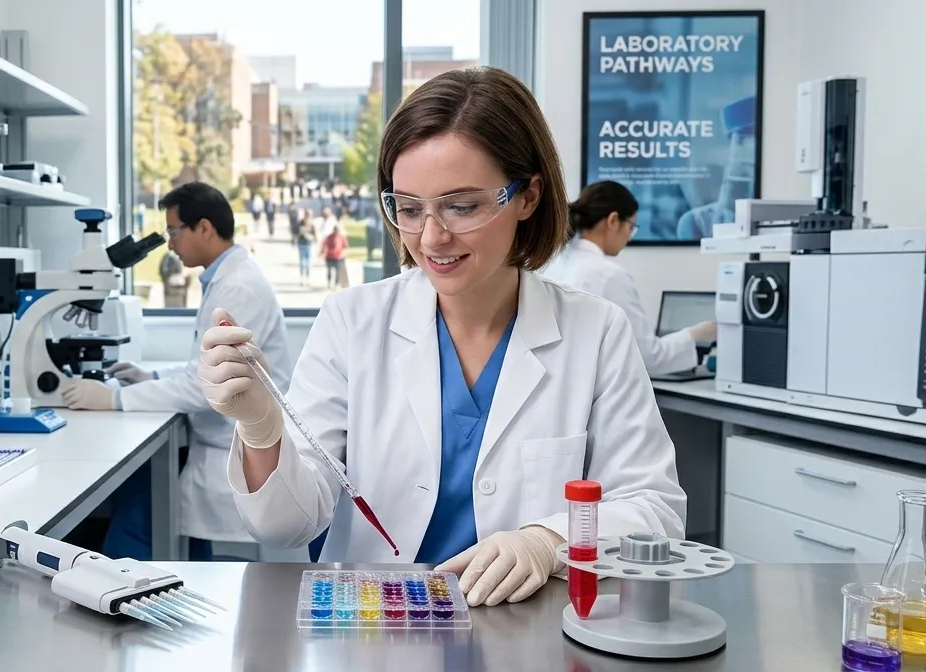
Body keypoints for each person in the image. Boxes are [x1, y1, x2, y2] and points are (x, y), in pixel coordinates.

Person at [195, 67, 685, 607]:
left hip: (530, 631)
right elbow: (286, 525)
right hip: (376, 632)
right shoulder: (351, 322)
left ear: (528, 196)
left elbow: (654, 510)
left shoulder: (595, 332)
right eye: (409, 209)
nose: (432, 237)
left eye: (462, 206)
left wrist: (549, 540)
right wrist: (261, 427)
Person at [61, 181, 293, 561]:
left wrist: (114, 398)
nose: (169, 243)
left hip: (228, 450)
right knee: (136, 505)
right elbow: (202, 368)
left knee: (133, 525)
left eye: (173, 231)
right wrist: (150, 377)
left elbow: (208, 387)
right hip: (217, 443)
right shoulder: (226, 281)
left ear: (203, 228)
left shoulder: (237, 288)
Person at [538, 181, 717, 376]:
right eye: (631, 226)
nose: (629, 237)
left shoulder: (551, 264)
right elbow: (646, 358)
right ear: (613, 221)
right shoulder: (608, 275)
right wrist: (696, 335)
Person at [321, 221, 349, 289]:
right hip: (329, 256)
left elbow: (345, 247)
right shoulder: (329, 237)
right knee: (329, 270)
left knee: (337, 271)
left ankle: (336, 284)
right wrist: (322, 253)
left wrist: (343, 254)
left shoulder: (341, 237)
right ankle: (329, 282)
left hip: (338, 257)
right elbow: (324, 245)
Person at [294, 208, 317, 285]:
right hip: (301, 244)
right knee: (302, 262)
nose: (308, 216)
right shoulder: (300, 223)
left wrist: (312, 237)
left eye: (309, 215)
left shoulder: (312, 224)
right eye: (307, 215)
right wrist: (300, 234)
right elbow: (296, 232)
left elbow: (315, 235)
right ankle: (302, 278)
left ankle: (308, 277)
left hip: (309, 244)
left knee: (309, 262)